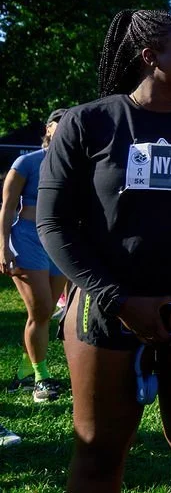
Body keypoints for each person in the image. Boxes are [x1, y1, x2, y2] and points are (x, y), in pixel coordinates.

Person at [35, 9, 171, 492]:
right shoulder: (88, 123)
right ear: (151, 58)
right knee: (99, 450)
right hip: (108, 312)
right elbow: (53, 223)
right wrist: (119, 299)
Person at [1, 108, 68, 402]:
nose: (65, 127)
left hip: (59, 242)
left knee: (46, 313)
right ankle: (41, 381)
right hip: (27, 238)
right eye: (59, 122)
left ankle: (24, 374)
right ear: (48, 128)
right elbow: (5, 208)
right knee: (41, 310)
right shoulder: (26, 162)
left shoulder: (75, 164)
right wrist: (2, 246)